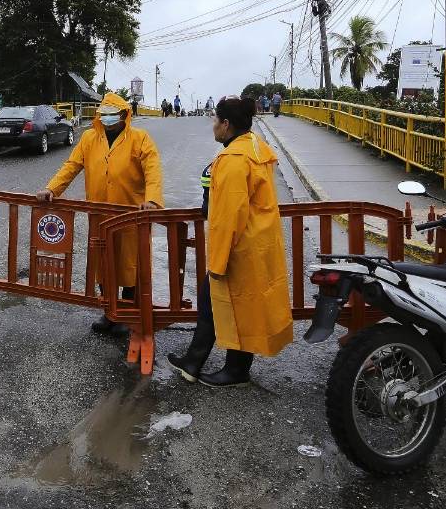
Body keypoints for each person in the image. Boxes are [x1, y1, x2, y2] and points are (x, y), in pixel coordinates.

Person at [167, 96, 292, 386]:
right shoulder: (254, 147)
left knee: (228, 303)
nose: (213, 126)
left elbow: (228, 216)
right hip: (256, 241)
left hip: (239, 247)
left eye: (215, 120)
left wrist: (218, 261)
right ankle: (193, 363)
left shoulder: (234, 159)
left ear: (226, 124)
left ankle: (234, 371)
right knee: (217, 303)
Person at [37, 91, 163, 333]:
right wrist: (51, 189)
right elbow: (71, 166)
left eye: (112, 115)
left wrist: (152, 200)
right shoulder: (89, 138)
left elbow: (153, 170)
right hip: (100, 215)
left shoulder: (140, 138)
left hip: (129, 215)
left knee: (130, 264)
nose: (106, 119)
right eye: (103, 115)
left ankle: (126, 312)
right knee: (104, 265)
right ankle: (109, 312)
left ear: (124, 115)